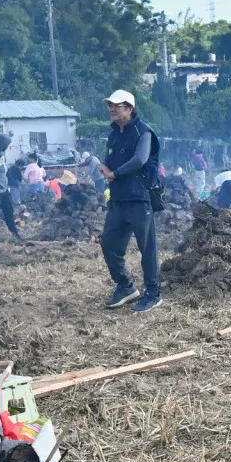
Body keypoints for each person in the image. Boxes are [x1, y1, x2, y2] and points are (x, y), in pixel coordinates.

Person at [98, 89, 162, 312]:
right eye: (110, 105)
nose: (112, 109)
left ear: (130, 108)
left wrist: (115, 173)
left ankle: (153, 293)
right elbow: (109, 159)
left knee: (147, 248)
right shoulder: (114, 133)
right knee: (108, 243)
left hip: (139, 197)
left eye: (117, 105)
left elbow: (140, 159)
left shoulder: (143, 132)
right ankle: (126, 286)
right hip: (118, 198)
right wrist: (105, 168)